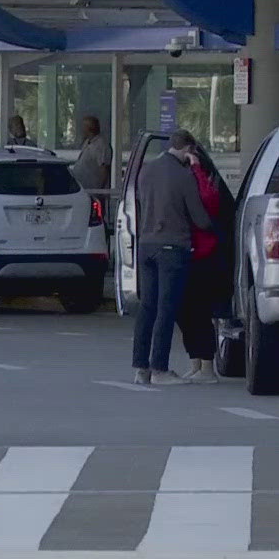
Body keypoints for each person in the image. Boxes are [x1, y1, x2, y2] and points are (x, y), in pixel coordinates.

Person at [130, 130, 213, 385]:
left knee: (147, 308)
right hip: (172, 248)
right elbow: (200, 218)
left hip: (146, 245)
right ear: (188, 150)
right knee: (167, 309)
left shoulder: (145, 170)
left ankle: (140, 368)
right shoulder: (184, 175)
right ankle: (160, 369)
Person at [175, 136, 235, 381]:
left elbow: (208, 201)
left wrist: (196, 167)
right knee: (185, 311)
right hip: (187, 249)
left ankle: (206, 364)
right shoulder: (177, 173)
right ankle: (196, 361)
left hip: (205, 252)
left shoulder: (204, 176)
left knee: (199, 311)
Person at [72, 115, 110, 192]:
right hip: (83, 188)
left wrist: (99, 190)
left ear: (89, 128)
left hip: (93, 190)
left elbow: (103, 169)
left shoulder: (100, 145)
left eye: (84, 126)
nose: (81, 129)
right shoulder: (88, 142)